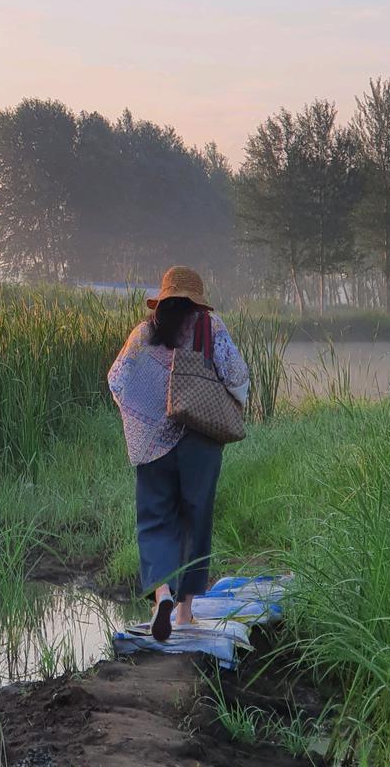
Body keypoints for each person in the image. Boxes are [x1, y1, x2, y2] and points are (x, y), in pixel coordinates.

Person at [107, 266, 250, 642]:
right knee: (195, 519)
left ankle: (162, 596)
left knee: (155, 519)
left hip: (152, 444)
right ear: (197, 300)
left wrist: (146, 415)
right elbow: (236, 376)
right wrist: (231, 404)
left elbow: (117, 379)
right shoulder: (209, 327)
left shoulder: (144, 332)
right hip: (200, 440)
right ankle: (185, 614)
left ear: (163, 298)